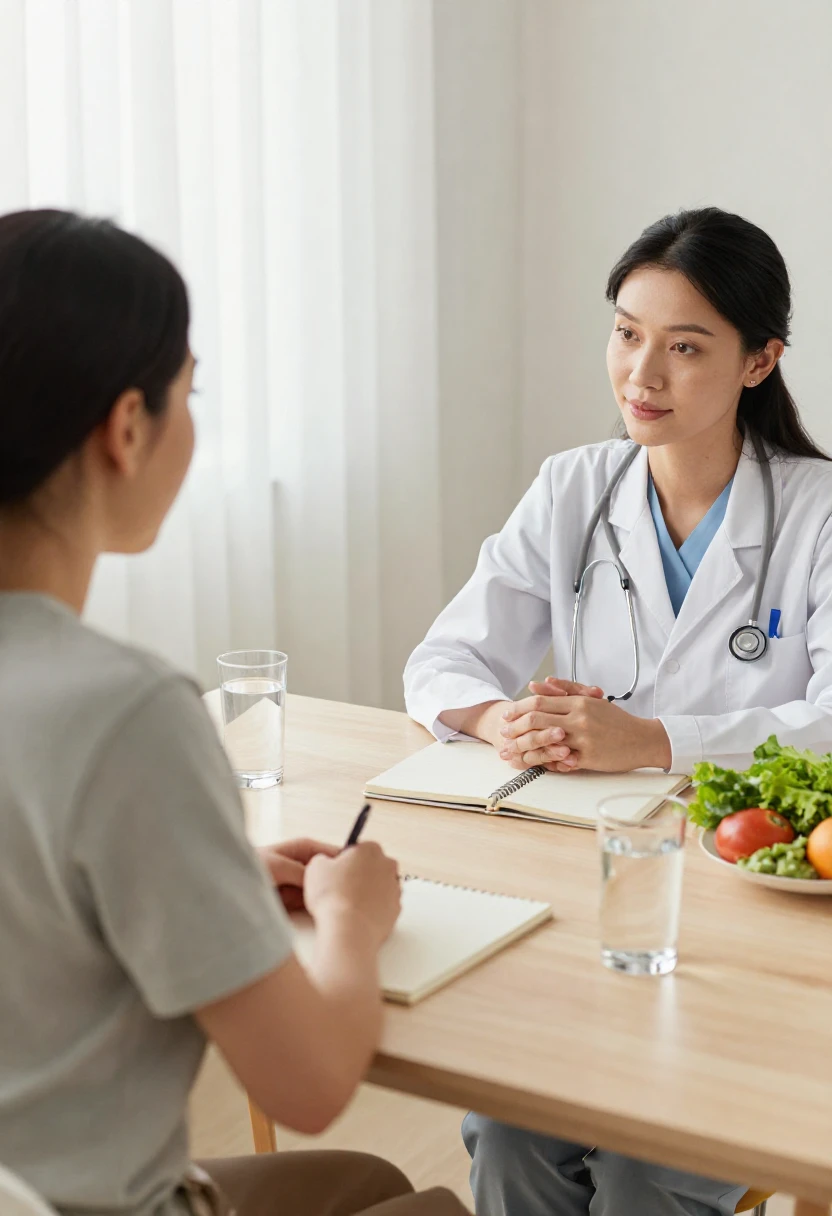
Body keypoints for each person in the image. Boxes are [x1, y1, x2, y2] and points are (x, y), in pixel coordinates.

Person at [0, 209, 469, 1216]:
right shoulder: (122, 711)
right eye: (189, 391)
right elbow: (308, 1084)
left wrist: (199, 878)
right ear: (127, 428)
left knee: (371, 1186)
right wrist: (352, 919)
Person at [405, 206, 832, 1215]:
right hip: (581, 893)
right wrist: (490, 719)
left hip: (749, 908)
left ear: (759, 362)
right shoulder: (572, 489)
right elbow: (445, 657)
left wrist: (651, 741)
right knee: (508, 1132)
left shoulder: (817, 512)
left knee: (646, 1172)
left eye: (685, 347)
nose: (642, 373)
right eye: (627, 332)